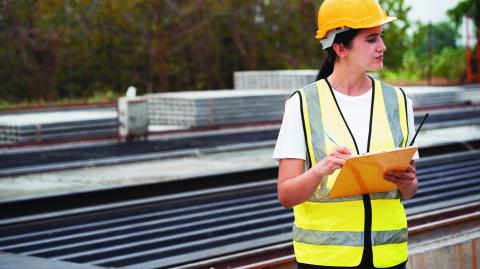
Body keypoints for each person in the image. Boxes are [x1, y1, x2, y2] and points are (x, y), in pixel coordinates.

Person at [272, 0, 419, 268]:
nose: (382, 47)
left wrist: (408, 184)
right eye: (371, 39)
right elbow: (285, 194)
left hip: (389, 258)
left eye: (381, 37)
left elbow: (408, 191)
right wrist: (320, 170)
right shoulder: (303, 105)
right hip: (326, 260)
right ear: (340, 48)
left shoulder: (398, 102)